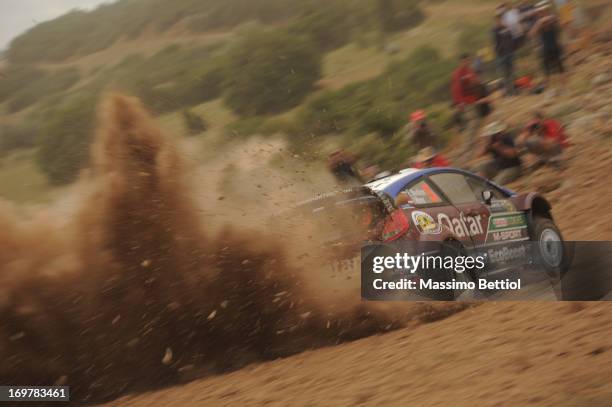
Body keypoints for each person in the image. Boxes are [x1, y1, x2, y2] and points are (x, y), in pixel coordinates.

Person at [451, 53, 492, 158]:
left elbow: (476, 85)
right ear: (461, 62)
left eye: (468, 60)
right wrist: (460, 103)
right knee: (474, 122)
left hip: (473, 100)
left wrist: (481, 97)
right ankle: (467, 146)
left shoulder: (469, 71)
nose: (467, 62)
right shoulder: (458, 74)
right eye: (465, 61)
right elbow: (456, 90)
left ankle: (471, 143)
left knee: (476, 121)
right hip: (466, 102)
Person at [530, 2, 566, 88]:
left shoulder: (553, 19)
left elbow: (562, 25)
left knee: (560, 67)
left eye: (543, 11)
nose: (542, 13)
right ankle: (550, 88)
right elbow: (531, 34)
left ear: (547, 11)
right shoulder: (538, 23)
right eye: (540, 12)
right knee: (546, 70)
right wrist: (539, 23)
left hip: (555, 47)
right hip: (545, 49)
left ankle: (563, 86)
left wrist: (553, 20)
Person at [492, 11, 517, 96]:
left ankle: (512, 90)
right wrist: (497, 52)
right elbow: (495, 43)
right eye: (497, 19)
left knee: (511, 72)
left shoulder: (507, 28)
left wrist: (513, 50)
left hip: (509, 52)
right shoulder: (494, 30)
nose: (499, 20)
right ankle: (507, 92)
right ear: (496, 20)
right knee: (504, 74)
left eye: (501, 18)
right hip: (501, 54)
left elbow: (511, 39)